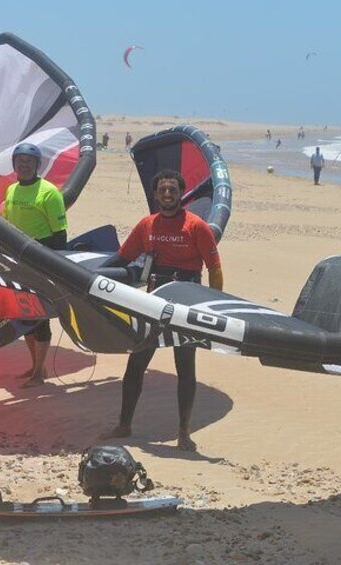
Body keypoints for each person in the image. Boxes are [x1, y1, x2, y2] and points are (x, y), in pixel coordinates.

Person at [101, 170, 223, 452]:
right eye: (162, 190)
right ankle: (124, 424)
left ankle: (184, 432)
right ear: (155, 195)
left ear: (181, 194)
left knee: (185, 367)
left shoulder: (196, 226)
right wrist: (93, 277)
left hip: (187, 303)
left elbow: (215, 268)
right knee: (136, 364)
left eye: (172, 190)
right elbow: (123, 257)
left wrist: (214, 306)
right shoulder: (147, 225)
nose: (167, 194)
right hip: (153, 302)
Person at [2, 143, 69, 388]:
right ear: (14, 164)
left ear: (37, 164)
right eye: (19, 160)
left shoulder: (49, 192)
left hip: (41, 260)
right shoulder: (11, 190)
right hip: (18, 262)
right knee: (24, 315)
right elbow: (7, 226)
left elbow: (60, 236)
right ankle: (34, 366)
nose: (24, 164)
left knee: (40, 317)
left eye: (29, 161)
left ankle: (40, 373)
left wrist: (50, 267)